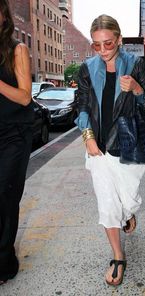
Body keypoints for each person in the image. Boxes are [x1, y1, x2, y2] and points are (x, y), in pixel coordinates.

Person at [75, 15, 145, 286]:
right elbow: (82, 106)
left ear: (119, 39)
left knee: (128, 201)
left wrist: (138, 89)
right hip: (98, 147)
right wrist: (87, 137)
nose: (103, 50)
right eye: (96, 45)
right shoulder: (86, 69)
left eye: (108, 43)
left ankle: (129, 213)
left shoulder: (137, 64)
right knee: (107, 204)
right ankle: (118, 256)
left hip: (128, 145)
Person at [0, 0, 34, 285]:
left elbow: (25, 97)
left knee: (4, 198)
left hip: (14, 134)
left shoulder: (17, 49)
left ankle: (4, 263)